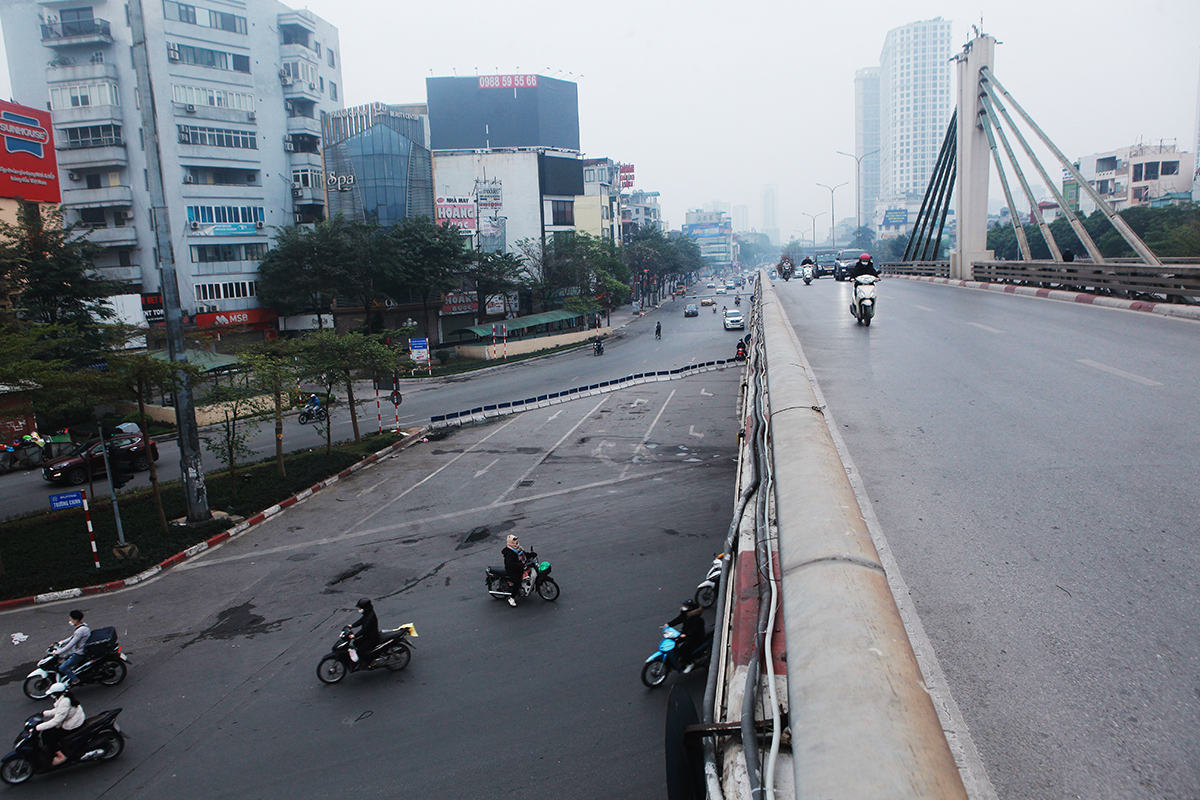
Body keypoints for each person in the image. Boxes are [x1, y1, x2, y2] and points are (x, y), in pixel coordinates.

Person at [35, 682, 84, 766]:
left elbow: (56, 720)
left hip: (72, 724)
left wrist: (37, 727)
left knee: (48, 736)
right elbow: (58, 711)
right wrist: (43, 713)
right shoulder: (64, 698)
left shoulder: (65, 702)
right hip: (71, 719)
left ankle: (61, 756)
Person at [666, 600, 706, 673]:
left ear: (690, 608)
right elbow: (678, 620)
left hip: (694, 637)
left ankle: (689, 663)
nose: (683, 607)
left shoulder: (696, 619)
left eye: (685, 606)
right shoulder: (685, 614)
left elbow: (695, 630)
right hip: (685, 634)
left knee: (683, 650)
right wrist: (669, 624)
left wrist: (686, 635)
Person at [52, 610, 89, 686]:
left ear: (75, 621)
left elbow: (71, 643)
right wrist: (62, 642)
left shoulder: (80, 631)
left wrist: (58, 652)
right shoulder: (82, 626)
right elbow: (73, 638)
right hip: (78, 649)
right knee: (66, 657)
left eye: (71, 618)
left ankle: (75, 680)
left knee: (62, 667)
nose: (69, 619)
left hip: (79, 653)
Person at [347, 598, 379, 666]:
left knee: (361, 651)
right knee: (356, 643)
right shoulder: (367, 614)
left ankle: (371, 661)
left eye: (361, 608)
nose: (359, 609)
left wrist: (355, 635)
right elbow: (361, 621)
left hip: (372, 638)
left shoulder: (371, 616)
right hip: (367, 636)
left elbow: (365, 630)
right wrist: (352, 625)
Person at [501, 534, 527, 607]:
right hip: (512, 570)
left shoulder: (518, 549)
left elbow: (524, 555)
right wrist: (521, 565)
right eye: (514, 541)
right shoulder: (509, 553)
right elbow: (511, 564)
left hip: (518, 567)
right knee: (517, 582)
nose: (516, 542)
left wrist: (532, 555)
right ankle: (512, 598)